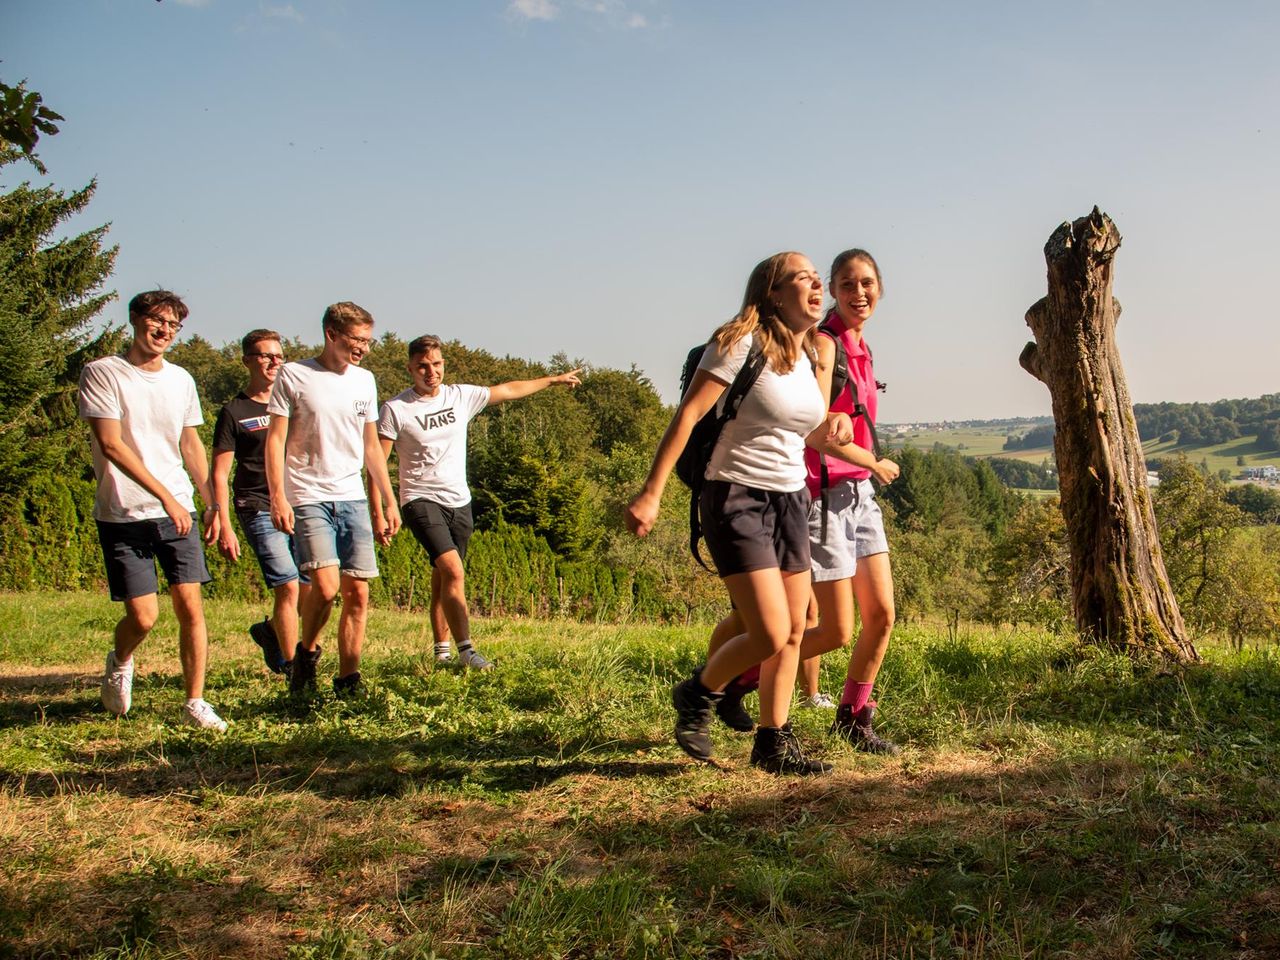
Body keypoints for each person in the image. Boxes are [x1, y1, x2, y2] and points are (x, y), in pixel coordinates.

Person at [626, 252, 859, 776]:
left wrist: (836, 425)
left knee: (797, 628)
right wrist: (651, 492)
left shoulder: (807, 356)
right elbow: (688, 414)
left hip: (790, 499)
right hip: (735, 495)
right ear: (773, 292)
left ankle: (773, 743)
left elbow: (805, 431)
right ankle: (698, 692)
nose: (817, 285)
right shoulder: (738, 343)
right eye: (804, 279)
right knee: (771, 632)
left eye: (818, 278)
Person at [374, 335, 581, 670]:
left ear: (443, 364)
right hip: (419, 499)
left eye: (437, 364)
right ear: (410, 368)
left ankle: (441, 652)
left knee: (443, 577)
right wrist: (383, 507)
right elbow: (376, 463)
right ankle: (466, 651)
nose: (431, 372)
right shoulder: (396, 409)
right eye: (423, 366)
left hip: (459, 501)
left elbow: (509, 389)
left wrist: (553, 380)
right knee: (454, 570)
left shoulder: (461, 396)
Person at [79, 289, 227, 731]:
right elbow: (110, 443)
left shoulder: (181, 379)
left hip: (177, 510)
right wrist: (164, 494)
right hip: (123, 511)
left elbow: (190, 444)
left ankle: (195, 701)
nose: (164, 331)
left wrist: (212, 502)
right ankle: (121, 659)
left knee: (190, 608)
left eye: (174, 325)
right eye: (157, 321)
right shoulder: (104, 372)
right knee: (143, 616)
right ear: (135, 320)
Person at [264, 301, 401, 696]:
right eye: (357, 340)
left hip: (352, 497)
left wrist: (388, 501)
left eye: (368, 341)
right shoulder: (294, 375)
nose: (363, 348)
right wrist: (278, 496)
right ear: (331, 334)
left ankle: (348, 679)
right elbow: (275, 441)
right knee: (324, 588)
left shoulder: (365, 380)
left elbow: (371, 447)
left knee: (358, 591)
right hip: (308, 495)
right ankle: (306, 656)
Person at [801, 248, 902, 752]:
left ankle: (853, 718)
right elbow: (816, 430)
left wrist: (866, 472)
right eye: (847, 284)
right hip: (825, 496)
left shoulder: (862, 347)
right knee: (837, 629)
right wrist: (874, 462)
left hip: (860, 497)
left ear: (879, 287)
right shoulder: (824, 345)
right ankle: (726, 678)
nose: (858, 293)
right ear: (832, 291)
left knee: (881, 615)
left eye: (866, 283)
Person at [212, 329, 311, 678]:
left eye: (279, 356)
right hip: (256, 505)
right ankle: (290, 666)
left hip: (297, 502)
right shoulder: (234, 411)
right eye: (266, 355)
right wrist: (223, 523)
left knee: (309, 586)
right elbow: (220, 473)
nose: (274, 362)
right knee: (286, 583)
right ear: (247, 361)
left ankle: (271, 632)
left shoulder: (292, 405)